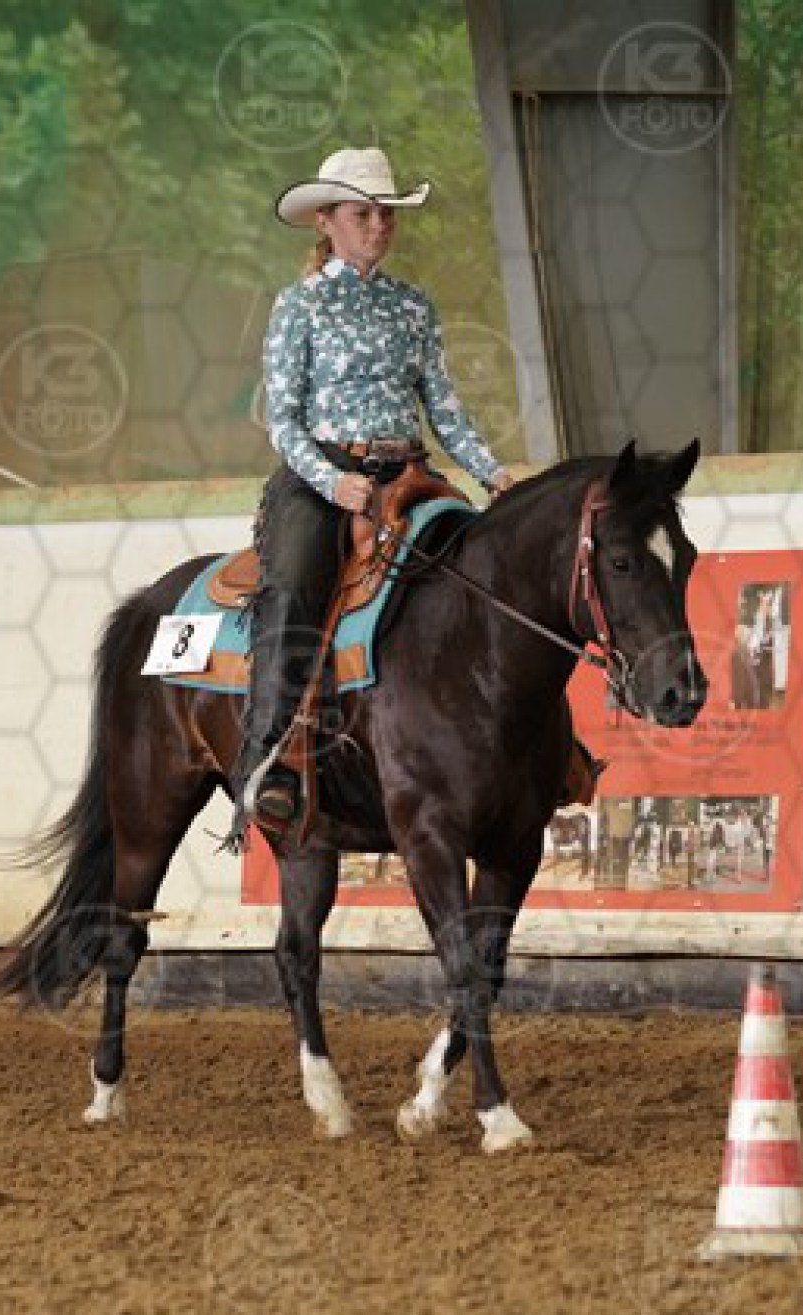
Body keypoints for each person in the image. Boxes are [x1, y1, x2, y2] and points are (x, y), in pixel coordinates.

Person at [235, 147, 516, 836]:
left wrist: (492, 473)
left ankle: (525, 746)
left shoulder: (412, 306)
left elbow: (443, 409)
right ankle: (268, 759)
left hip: (408, 474)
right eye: (363, 214)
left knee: (486, 569)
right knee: (294, 584)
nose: (378, 226)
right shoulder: (299, 306)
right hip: (322, 475)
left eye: (386, 214)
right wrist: (333, 481)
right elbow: (283, 419)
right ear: (326, 221)